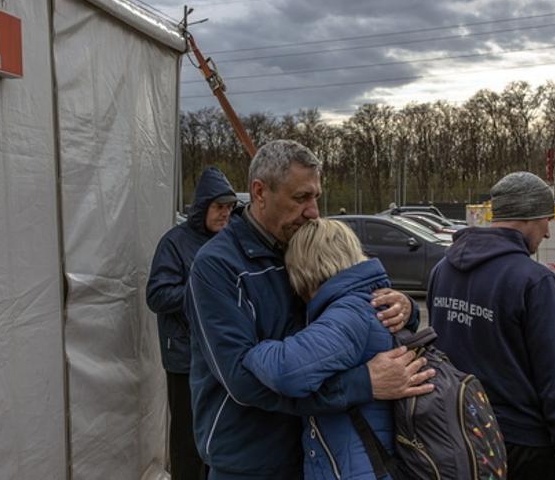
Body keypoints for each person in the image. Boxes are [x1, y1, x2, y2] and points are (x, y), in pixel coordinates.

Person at [185, 140, 433, 479]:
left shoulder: (306, 243)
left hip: (320, 452)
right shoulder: (217, 266)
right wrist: (361, 384)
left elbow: (354, 304)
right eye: (301, 198)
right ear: (260, 192)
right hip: (251, 458)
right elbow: (242, 383)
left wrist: (402, 308)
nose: (314, 211)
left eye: (316, 196)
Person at [426, 171, 555, 480]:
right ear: (528, 217)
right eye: (546, 221)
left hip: (457, 432)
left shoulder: (442, 269)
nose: (548, 234)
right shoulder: (536, 281)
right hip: (519, 442)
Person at [242, 219, 406, 479]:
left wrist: (251, 349)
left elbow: (287, 371)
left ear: (306, 267)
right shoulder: (366, 301)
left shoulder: (348, 313)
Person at [146, 166, 238, 480]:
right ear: (202, 208)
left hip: (220, 357)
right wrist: (203, 291)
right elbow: (156, 295)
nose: (225, 213)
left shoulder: (229, 241)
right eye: (219, 207)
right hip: (184, 358)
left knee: (217, 433)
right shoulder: (174, 242)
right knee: (187, 437)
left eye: (229, 207)